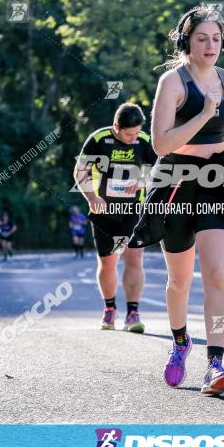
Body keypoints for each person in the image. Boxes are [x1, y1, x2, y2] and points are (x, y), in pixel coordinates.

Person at [128, 4, 224, 395]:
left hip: (217, 177)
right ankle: (181, 341)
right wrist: (203, 116)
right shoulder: (173, 82)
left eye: (216, 38)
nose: (210, 45)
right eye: (202, 38)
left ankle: (216, 364)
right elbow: (161, 143)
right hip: (175, 183)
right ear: (187, 42)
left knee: (217, 273)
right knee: (180, 280)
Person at [73, 103, 156, 333]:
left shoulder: (144, 141)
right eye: (129, 134)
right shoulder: (99, 139)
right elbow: (80, 172)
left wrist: (141, 182)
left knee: (134, 257)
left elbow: (159, 169)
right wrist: (91, 197)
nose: (133, 138)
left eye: (137, 132)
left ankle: (132, 313)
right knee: (108, 262)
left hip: (133, 211)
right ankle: (110, 309)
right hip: (104, 213)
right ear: (116, 127)